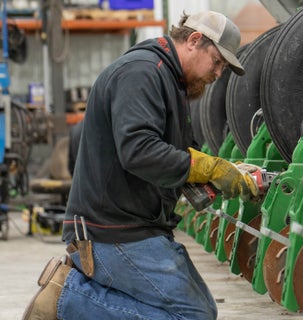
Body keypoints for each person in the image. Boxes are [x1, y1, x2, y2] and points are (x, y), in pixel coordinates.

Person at [23, 10, 257, 320]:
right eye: (217, 62)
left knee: (202, 311)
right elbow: (139, 150)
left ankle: (78, 295)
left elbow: (177, 153)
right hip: (110, 231)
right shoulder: (142, 72)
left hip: (133, 225)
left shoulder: (170, 81)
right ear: (194, 40)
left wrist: (224, 171)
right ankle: (69, 299)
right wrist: (208, 168)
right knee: (193, 316)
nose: (217, 74)